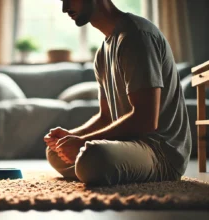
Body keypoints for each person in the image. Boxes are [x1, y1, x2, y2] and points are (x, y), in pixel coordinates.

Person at [44, 0, 191, 186]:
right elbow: (106, 117)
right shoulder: (102, 53)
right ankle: (97, 165)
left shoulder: (136, 35)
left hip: (160, 152)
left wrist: (82, 142)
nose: (65, 9)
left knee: (91, 157)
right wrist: (71, 137)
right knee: (55, 152)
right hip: (130, 144)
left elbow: (146, 119)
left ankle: (95, 165)